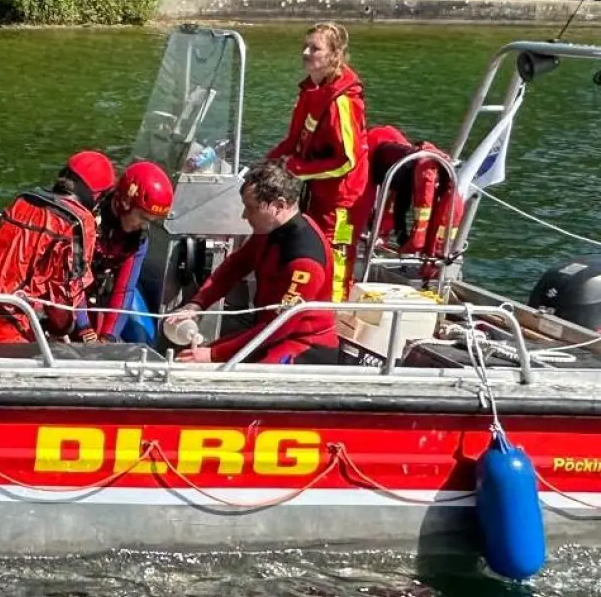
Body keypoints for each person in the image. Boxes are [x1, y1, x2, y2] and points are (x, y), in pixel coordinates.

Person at [172, 161, 338, 365]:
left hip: (302, 343)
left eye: (251, 209)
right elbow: (236, 266)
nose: (244, 216)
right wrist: (197, 304)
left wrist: (214, 355)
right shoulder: (269, 230)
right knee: (191, 358)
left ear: (279, 206)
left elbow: (278, 327)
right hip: (266, 332)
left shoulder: (304, 263)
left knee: (214, 368)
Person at [0, 151, 115, 344]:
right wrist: (68, 328)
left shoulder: (23, 201)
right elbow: (62, 296)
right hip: (7, 329)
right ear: (97, 195)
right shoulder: (79, 223)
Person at [264, 21, 367, 301]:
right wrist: (265, 166)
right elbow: (294, 140)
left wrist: (297, 170)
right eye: (305, 47)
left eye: (315, 48)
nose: (306, 53)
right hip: (315, 187)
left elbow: (348, 161)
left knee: (335, 258)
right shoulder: (312, 90)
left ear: (335, 55)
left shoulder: (342, 101)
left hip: (341, 199)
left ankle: (332, 314)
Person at [356, 125, 463, 279]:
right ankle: (429, 263)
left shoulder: (407, 167)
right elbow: (399, 204)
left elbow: (397, 203)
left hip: (393, 165)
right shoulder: (415, 166)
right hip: (397, 165)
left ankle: (424, 259)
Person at [86, 161, 174, 342]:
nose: (143, 225)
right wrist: (84, 330)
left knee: (143, 340)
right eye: (142, 217)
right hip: (77, 289)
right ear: (125, 202)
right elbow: (73, 280)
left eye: (150, 221)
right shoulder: (88, 222)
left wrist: (108, 336)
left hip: (108, 287)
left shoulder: (138, 238)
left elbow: (124, 288)